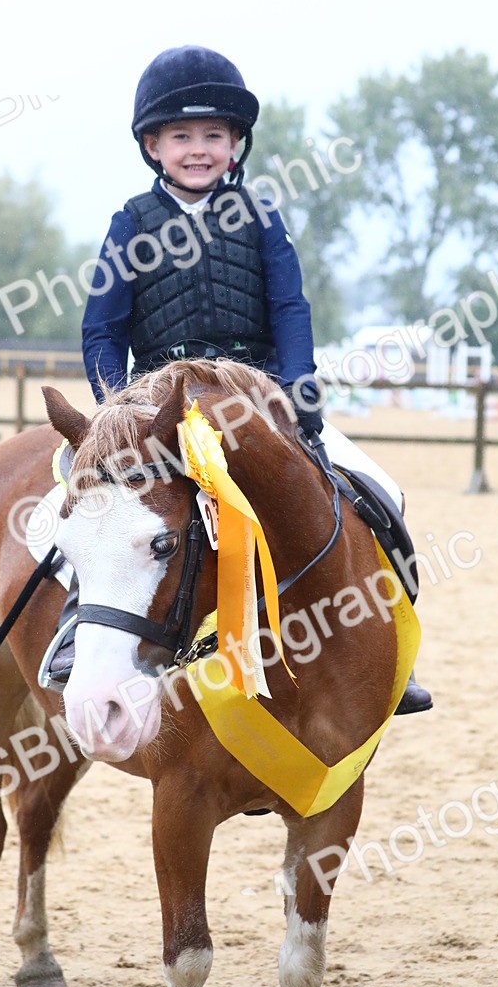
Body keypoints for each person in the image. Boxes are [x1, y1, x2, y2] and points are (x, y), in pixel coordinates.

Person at [45, 45, 431, 715]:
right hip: (156, 406)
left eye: (214, 136)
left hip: (255, 398)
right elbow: (101, 328)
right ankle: (76, 629)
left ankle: (381, 648)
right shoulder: (130, 223)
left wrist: (300, 387)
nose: (199, 149)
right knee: (81, 516)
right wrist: (115, 412)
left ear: (235, 144)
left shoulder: (260, 216)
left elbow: (289, 307)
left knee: (380, 490)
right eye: (183, 136)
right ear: (153, 145)